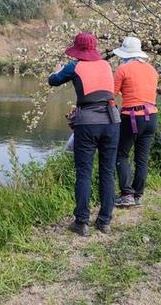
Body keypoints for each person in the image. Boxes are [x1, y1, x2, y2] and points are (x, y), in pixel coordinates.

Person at [48, 33, 120, 236]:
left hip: (88, 123)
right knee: (107, 172)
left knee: (84, 173)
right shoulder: (106, 65)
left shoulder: (74, 66)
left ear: (77, 50)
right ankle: (105, 222)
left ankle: (82, 222)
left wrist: (57, 70)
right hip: (112, 121)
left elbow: (52, 81)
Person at [112, 36, 159, 208]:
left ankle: (126, 195)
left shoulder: (122, 69)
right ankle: (137, 195)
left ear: (125, 53)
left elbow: (112, 94)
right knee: (142, 158)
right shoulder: (152, 70)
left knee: (121, 154)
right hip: (152, 116)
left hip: (132, 117)